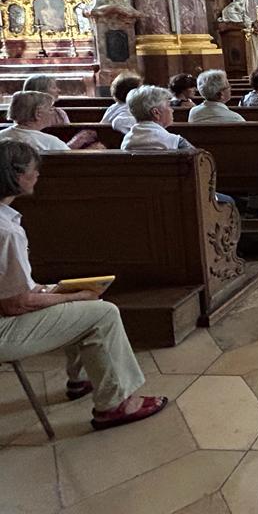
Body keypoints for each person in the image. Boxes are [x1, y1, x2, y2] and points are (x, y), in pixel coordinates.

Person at [0, 140, 167, 430]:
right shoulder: (6, 231)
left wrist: (50, 291)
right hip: (4, 328)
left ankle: (81, 380)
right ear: (15, 176)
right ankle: (116, 405)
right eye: (32, 170)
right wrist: (72, 296)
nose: (37, 174)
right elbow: (16, 304)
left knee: (76, 301)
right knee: (102, 312)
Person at [121, 86, 192, 150]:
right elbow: (199, 160)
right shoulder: (176, 142)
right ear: (156, 113)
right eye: (169, 106)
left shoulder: (127, 141)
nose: (172, 110)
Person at [0, 92, 73, 151]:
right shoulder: (51, 142)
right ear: (38, 113)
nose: (53, 112)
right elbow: (72, 160)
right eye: (50, 109)